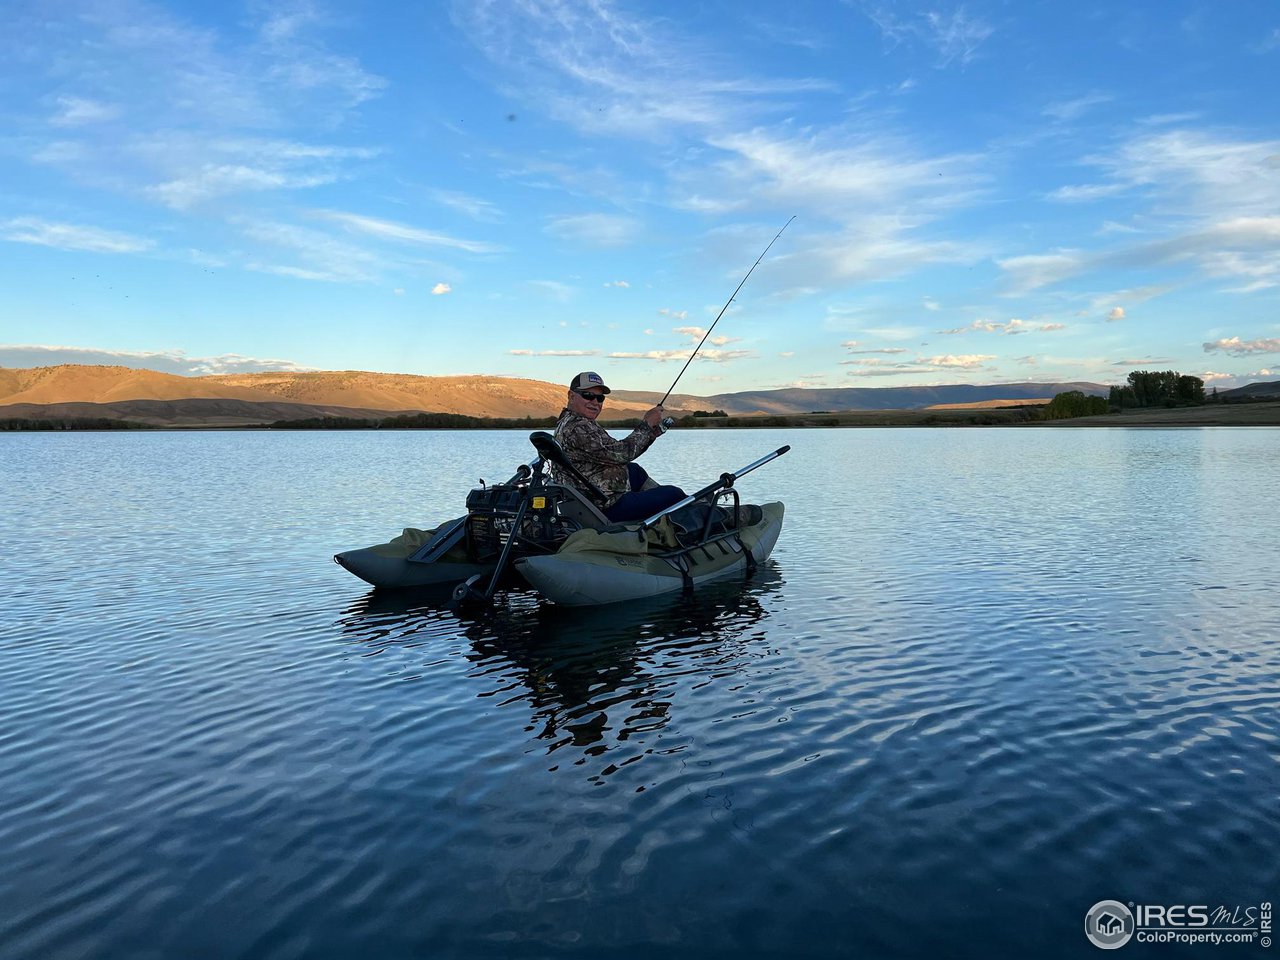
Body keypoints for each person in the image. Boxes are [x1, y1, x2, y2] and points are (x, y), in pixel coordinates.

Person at [552, 371, 687, 523]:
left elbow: (613, 452)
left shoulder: (569, 420)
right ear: (571, 396)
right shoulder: (578, 428)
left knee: (633, 471)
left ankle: (660, 510)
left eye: (600, 398)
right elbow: (622, 453)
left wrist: (650, 434)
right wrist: (647, 424)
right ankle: (693, 517)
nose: (595, 402)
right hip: (605, 509)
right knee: (674, 494)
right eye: (588, 395)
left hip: (592, 496)